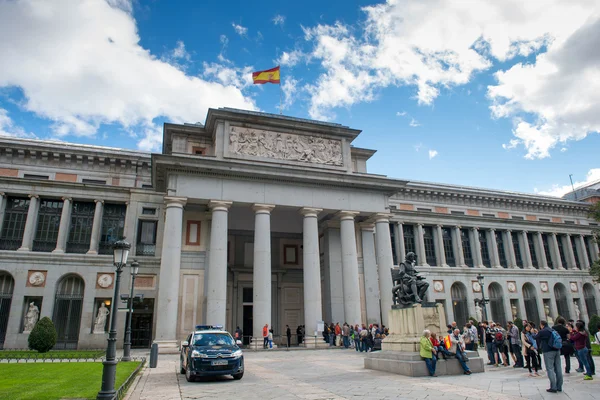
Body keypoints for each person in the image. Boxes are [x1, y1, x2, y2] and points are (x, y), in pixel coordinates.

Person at [533, 320, 563, 393]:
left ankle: (553, 387)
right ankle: (559, 386)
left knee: (550, 368)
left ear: (542, 325)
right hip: (556, 350)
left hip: (548, 351)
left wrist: (533, 332)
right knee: (558, 368)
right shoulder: (552, 330)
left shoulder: (542, 331)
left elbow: (535, 337)